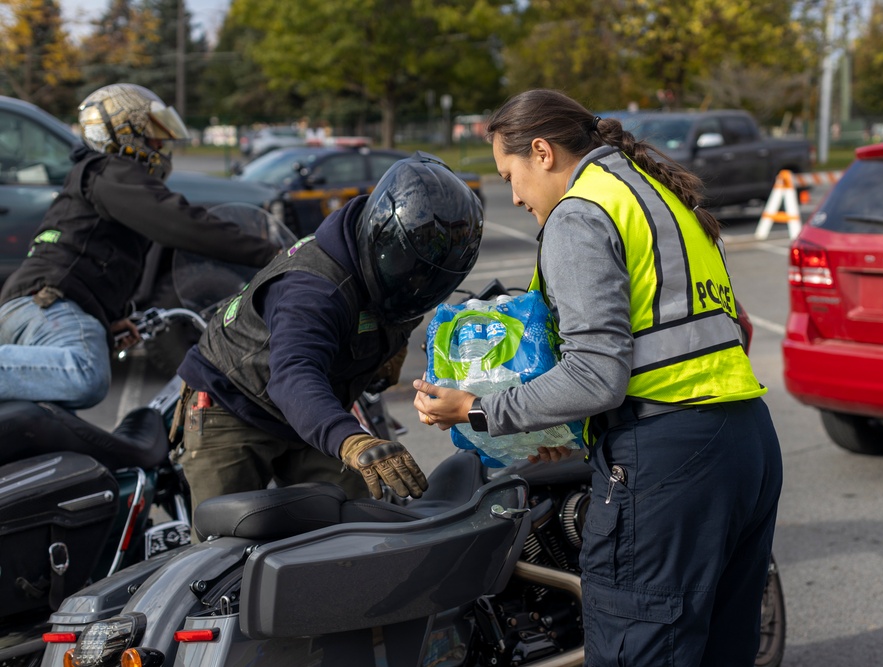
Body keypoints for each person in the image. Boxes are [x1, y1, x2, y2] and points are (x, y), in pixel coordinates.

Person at [412, 89, 782, 666]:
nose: (513, 195)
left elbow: (596, 376)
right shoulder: (654, 191)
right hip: (745, 444)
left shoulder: (582, 213)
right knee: (718, 649)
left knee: (638, 650)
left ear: (542, 152)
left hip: (667, 460)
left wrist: (476, 410)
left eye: (510, 173)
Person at [176, 152, 483, 512]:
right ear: (381, 238)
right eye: (412, 277)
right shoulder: (313, 289)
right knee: (225, 541)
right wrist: (352, 440)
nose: (417, 289)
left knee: (367, 515)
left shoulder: (406, 277)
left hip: (311, 411)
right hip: (233, 404)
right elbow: (293, 374)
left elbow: (405, 303)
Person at [0, 83, 280, 410]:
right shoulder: (109, 171)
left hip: (36, 309)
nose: (161, 146)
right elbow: (180, 223)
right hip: (49, 307)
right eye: (153, 136)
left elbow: (84, 257)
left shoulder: (95, 178)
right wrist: (271, 254)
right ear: (124, 135)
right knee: (85, 374)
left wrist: (108, 322)